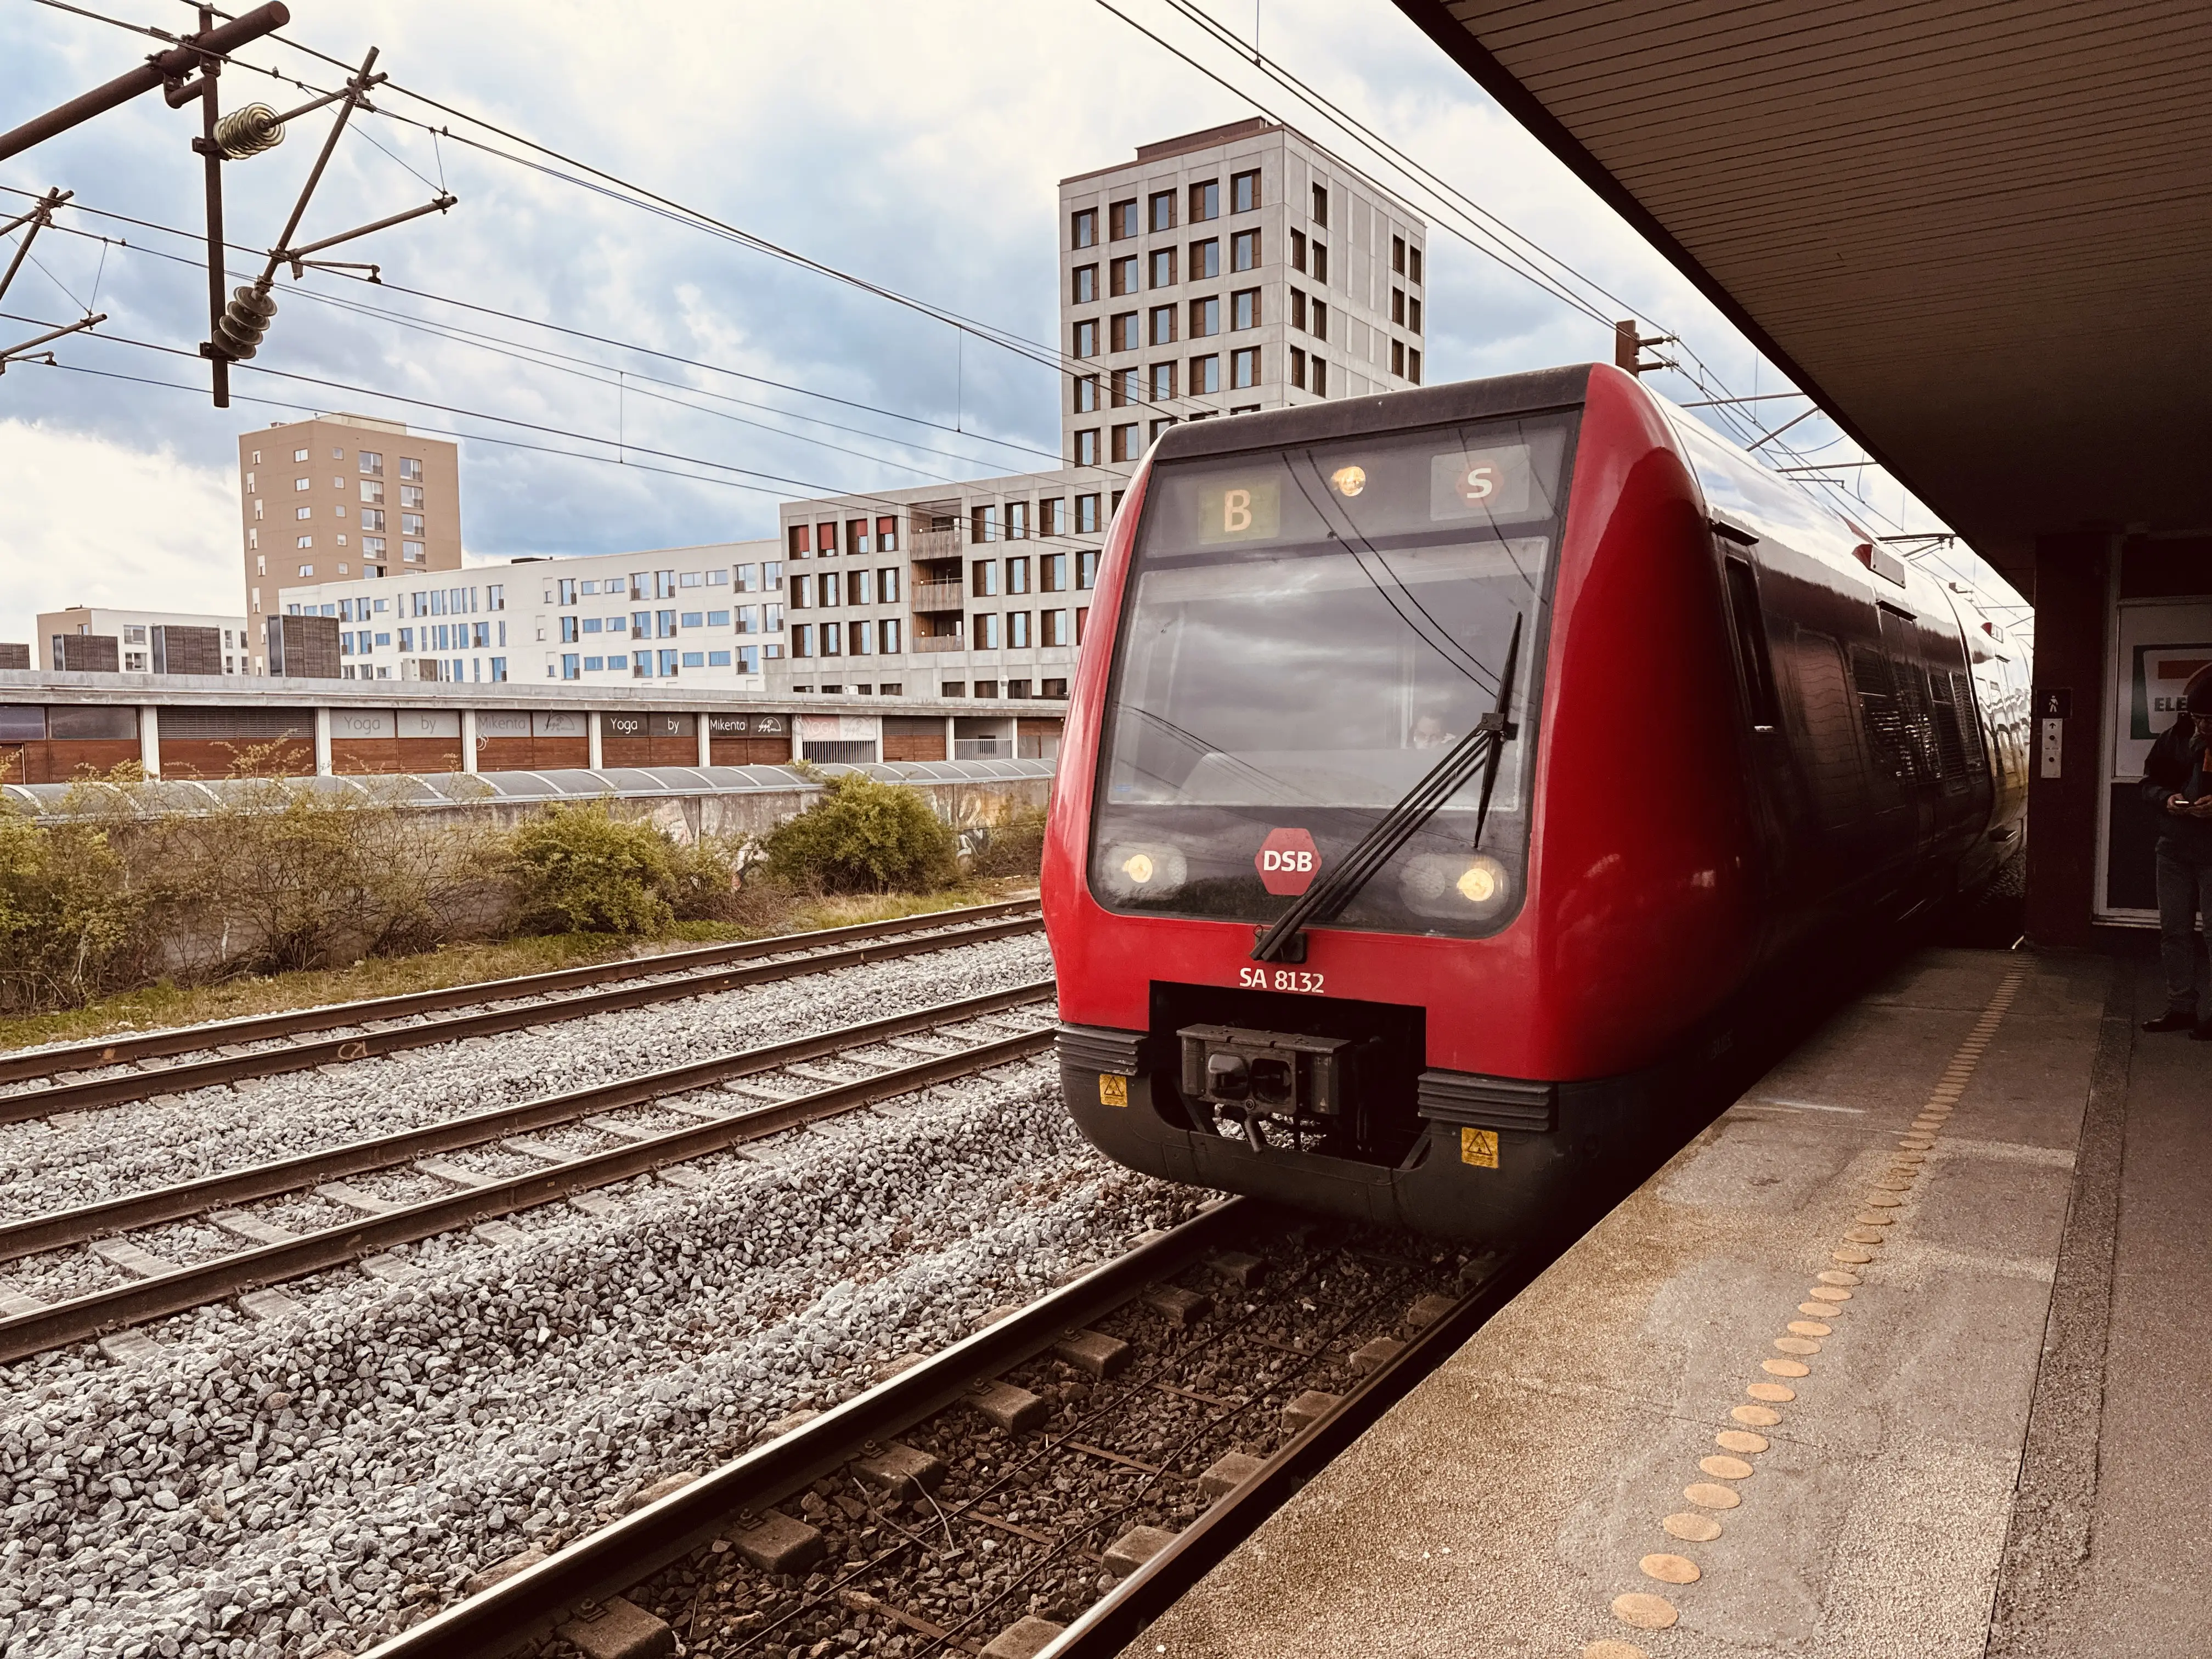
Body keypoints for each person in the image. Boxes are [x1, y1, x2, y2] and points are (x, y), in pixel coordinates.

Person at [2141, 665, 2212, 1037]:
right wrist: (2167, 800)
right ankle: (2181, 1006)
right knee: (2174, 930)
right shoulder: (2175, 737)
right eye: (2199, 719)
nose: (2203, 728)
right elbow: (2149, 782)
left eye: (2211, 721)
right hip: (2173, 848)